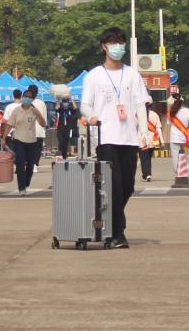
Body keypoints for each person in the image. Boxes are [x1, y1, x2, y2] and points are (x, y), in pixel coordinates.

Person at [80, 26, 150, 249]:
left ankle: (113, 224)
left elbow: (140, 104)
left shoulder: (132, 74)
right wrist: (91, 117)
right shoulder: (94, 76)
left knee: (128, 185)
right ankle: (117, 233)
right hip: (105, 137)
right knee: (114, 185)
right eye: (113, 43)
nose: (117, 47)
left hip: (129, 137)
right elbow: (85, 104)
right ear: (104, 46)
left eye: (121, 43)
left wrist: (144, 130)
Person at [1, 84, 46, 194]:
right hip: (18, 140)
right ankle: (21, 188)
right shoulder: (16, 110)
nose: (27, 98)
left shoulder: (34, 110)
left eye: (29, 97)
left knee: (30, 165)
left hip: (31, 141)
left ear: (33, 99)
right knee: (20, 164)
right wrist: (4, 138)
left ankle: (26, 182)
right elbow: (9, 124)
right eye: (25, 96)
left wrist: (38, 114)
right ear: (22, 97)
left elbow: (43, 124)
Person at [165, 92, 189, 170]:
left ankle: (177, 171)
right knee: (185, 156)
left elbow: (168, 125)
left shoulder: (170, 113)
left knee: (175, 158)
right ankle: (185, 171)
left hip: (174, 138)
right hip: (185, 137)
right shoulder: (187, 111)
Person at [139, 104, 163, 181]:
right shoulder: (154, 114)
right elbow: (158, 128)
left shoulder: (138, 114)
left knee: (144, 158)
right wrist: (162, 141)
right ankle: (148, 174)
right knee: (148, 158)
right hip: (152, 141)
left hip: (142, 141)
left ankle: (146, 174)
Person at [54, 92, 80, 160]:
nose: (65, 103)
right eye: (64, 102)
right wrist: (59, 100)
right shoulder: (61, 109)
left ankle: (64, 157)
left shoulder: (70, 109)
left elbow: (75, 108)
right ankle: (61, 154)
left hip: (67, 128)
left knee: (66, 143)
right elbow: (56, 108)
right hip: (60, 128)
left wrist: (71, 99)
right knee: (61, 142)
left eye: (66, 102)